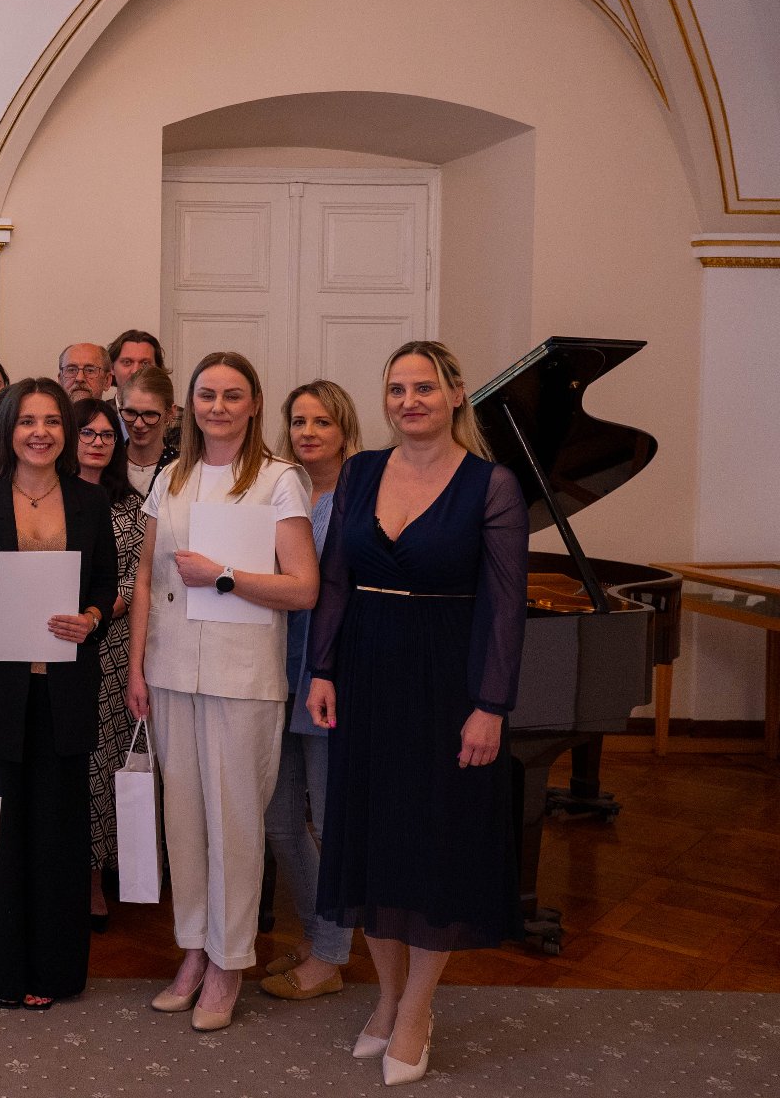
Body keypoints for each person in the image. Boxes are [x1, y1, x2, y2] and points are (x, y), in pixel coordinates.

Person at [307, 341, 526, 1086]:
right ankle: (388, 994)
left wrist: (490, 705)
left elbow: (505, 607)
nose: (410, 400)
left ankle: (418, 1009)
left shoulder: (492, 485)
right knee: (371, 837)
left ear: (457, 394)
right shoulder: (361, 470)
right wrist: (322, 668)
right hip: (367, 674)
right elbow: (335, 577)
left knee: (434, 844)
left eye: (424, 387)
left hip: (447, 682)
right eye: (397, 388)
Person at [124, 351, 319, 1033]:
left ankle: (230, 960)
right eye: (207, 394)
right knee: (184, 822)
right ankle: (193, 951)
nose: (218, 406)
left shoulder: (278, 480)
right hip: (172, 668)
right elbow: (145, 576)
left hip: (244, 676)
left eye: (232, 395)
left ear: (253, 403)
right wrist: (137, 666)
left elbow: (303, 586)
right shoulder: (170, 477)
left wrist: (227, 575)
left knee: (235, 822)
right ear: (189, 406)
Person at [0, 378, 118, 1010]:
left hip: (65, 691)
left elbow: (105, 586)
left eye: (52, 421)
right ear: (5, 429)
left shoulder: (89, 502)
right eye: (27, 421)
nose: (39, 431)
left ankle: (54, 967)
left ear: (66, 433)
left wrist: (92, 618)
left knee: (57, 832)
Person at [259, 379, 362, 1003]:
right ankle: (323, 935)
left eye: (321, 422)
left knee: (328, 820)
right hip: (276, 674)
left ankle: (330, 954)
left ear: (344, 429)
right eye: (298, 421)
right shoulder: (280, 490)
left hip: (334, 680)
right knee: (278, 823)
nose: (307, 433)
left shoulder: (362, 497)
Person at [71, 397, 144, 933]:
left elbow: (137, 579)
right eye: (87, 432)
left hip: (111, 645)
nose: (97, 441)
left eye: (106, 434)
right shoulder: (47, 496)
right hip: (48, 641)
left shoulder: (130, 506)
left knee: (100, 765)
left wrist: (95, 615)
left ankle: (94, 877)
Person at [119, 367, 178, 500]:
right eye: (130, 412)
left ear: (170, 413)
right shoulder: (108, 464)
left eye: (150, 414)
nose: (138, 424)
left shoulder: (182, 470)